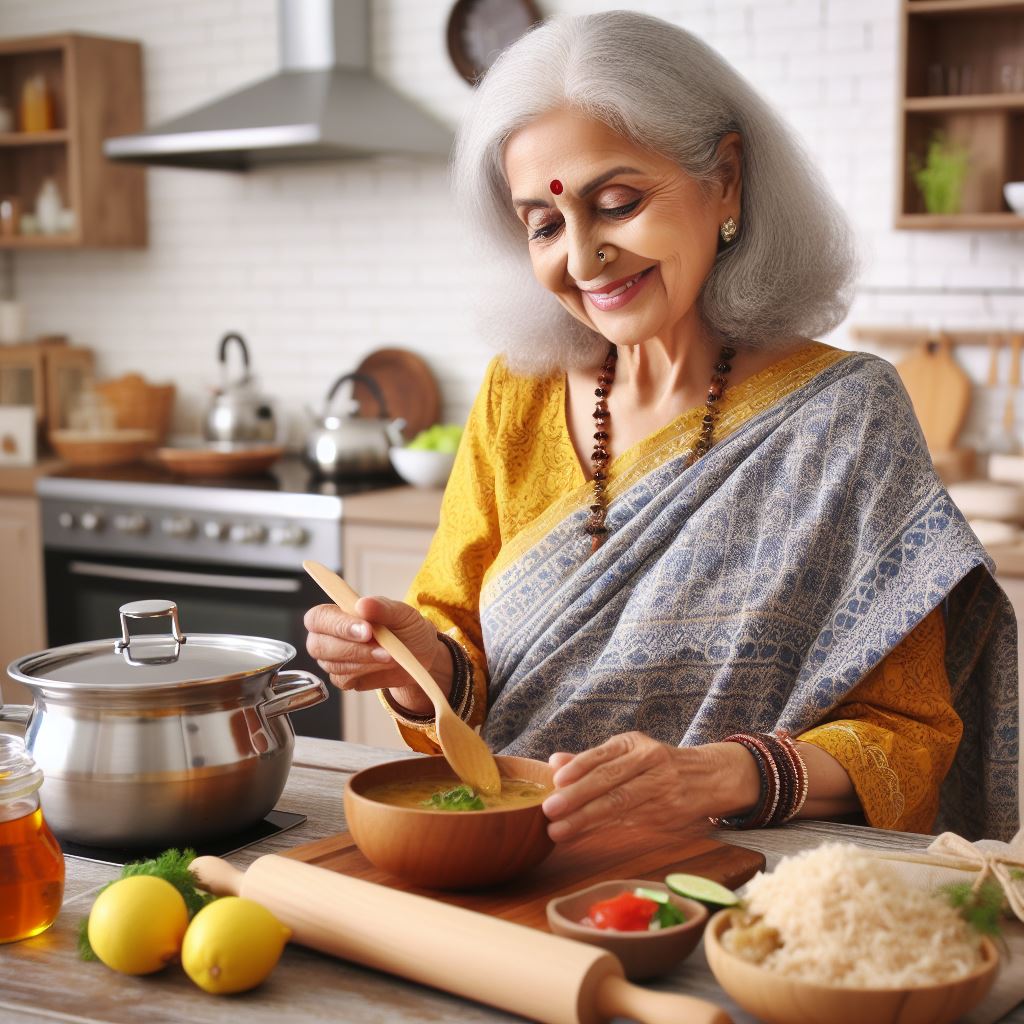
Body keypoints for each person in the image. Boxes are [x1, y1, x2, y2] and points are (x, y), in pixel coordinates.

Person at [306, 11, 1018, 842]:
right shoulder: (518, 393)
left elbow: (906, 737)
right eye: (543, 224)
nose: (580, 259)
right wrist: (419, 666)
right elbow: (456, 655)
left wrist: (713, 774)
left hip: (734, 895)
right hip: (511, 861)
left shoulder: (847, 415)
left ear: (726, 180)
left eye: (618, 203)